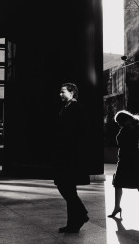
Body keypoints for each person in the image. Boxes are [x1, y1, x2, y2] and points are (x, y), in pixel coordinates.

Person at [54, 82, 90, 233]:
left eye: (63, 92)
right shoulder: (66, 108)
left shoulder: (76, 109)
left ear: (72, 93)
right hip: (66, 154)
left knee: (65, 186)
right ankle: (73, 224)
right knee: (68, 188)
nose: (60, 94)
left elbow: (78, 134)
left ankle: (80, 215)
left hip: (71, 155)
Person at [108, 110, 139, 218]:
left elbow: (125, 141)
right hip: (124, 158)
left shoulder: (135, 127)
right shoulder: (127, 128)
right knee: (118, 183)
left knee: (137, 182)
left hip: (132, 158)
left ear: (125, 119)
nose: (118, 124)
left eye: (119, 121)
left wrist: (125, 128)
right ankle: (117, 207)